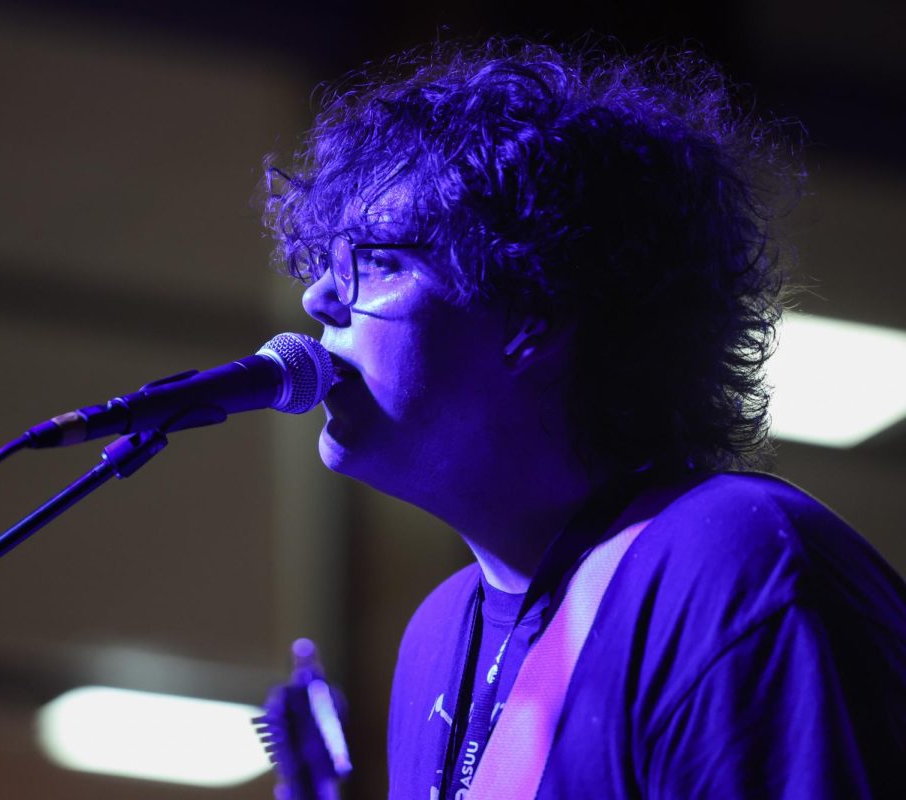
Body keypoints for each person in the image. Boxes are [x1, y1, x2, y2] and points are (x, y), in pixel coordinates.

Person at [261, 39, 906, 799]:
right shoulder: (436, 639)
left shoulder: (730, 564)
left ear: (533, 312)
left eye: (380, 262)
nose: (317, 302)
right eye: (326, 266)